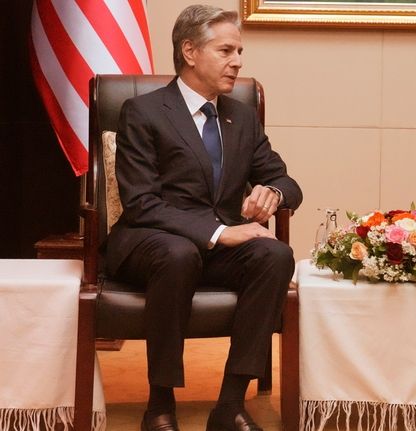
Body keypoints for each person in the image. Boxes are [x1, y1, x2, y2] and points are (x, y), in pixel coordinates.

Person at [106, 5, 302, 431]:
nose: (238, 61)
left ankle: (230, 405)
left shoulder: (241, 117)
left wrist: (273, 192)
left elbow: (286, 180)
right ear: (190, 51)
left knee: (275, 256)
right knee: (178, 254)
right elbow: (141, 203)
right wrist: (219, 231)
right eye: (226, 50)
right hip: (152, 240)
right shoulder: (143, 112)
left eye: (240, 51)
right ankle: (159, 406)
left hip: (211, 247)